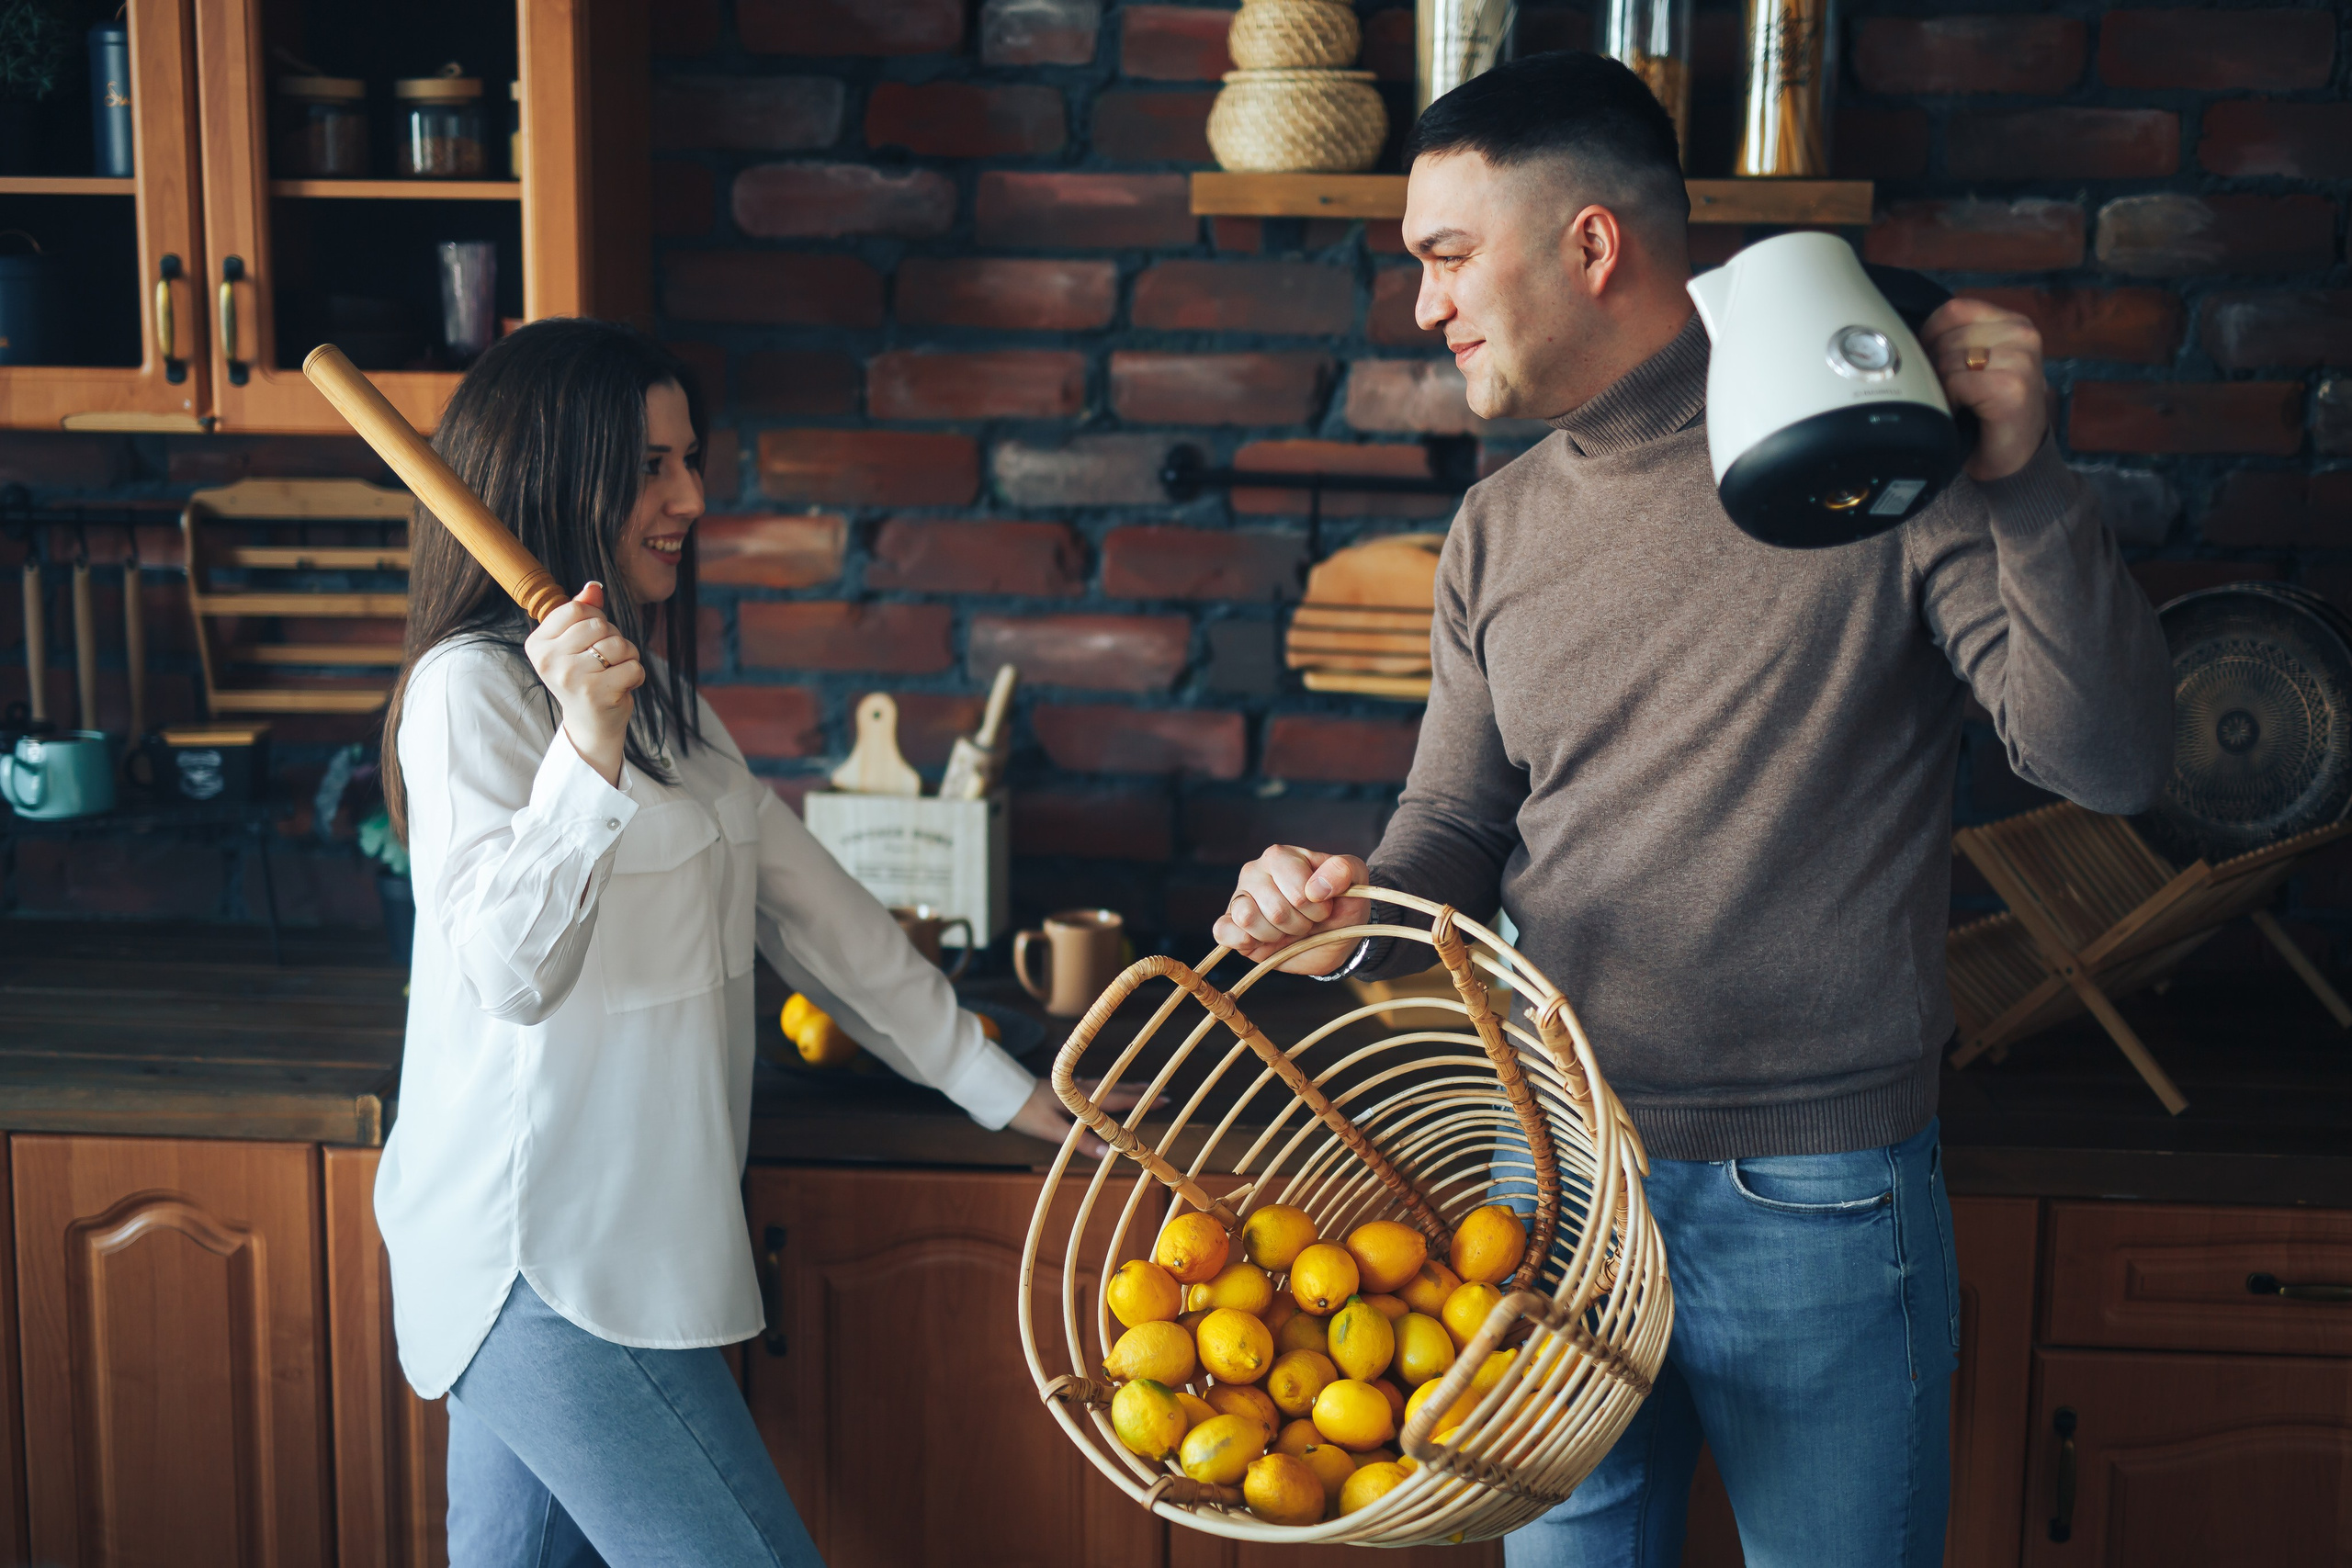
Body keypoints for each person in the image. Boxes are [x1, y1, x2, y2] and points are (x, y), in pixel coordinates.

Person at [1212, 51, 2170, 1568]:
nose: (1422, 306)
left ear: (1590, 246)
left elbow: (2113, 765)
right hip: (1553, 1195)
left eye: (1448, 258)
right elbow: (1449, 842)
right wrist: (1337, 920)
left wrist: (2028, 482)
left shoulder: (1873, 451)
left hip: (1816, 1201)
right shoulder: (1497, 526)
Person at [375, 319, 1131, 1566]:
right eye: (654, 466)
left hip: (634, 1252)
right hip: (541, 1263)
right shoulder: (474, 693)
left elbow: (822, 918)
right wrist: (585, 746)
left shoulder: (668, 705)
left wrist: (1010, 1095)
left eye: (689, 458)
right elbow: (511, 973)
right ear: (564, 476)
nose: (691, 497)